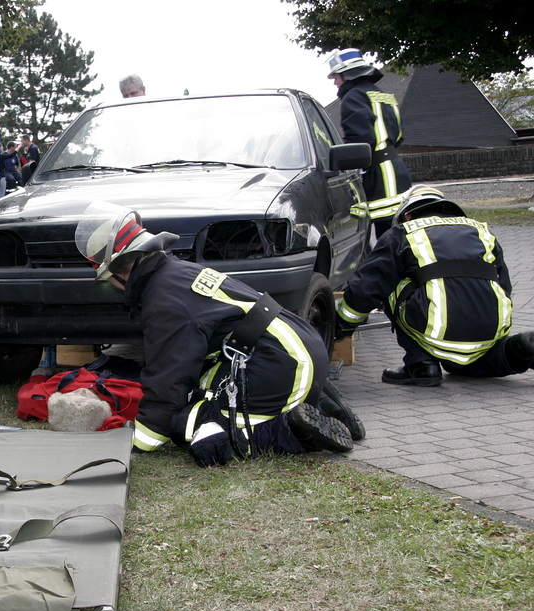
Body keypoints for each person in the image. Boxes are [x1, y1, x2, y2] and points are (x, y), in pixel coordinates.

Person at [75, 201, 359, 467]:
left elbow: (169, 374)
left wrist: (144, 439)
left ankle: (294, 431)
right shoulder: (176, 274)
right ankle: (323, 404)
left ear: (117, 270)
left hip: (281, 362)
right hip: (296, 347)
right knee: (203, 392)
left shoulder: (164, 299)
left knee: (204, 437)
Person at [336, 186, 534, 387]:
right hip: (491, 328)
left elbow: (366, 287)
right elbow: (504, 285)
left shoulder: (402, 233)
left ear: (408, 214)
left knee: (391, 281)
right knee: (462, 365)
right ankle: (519, 349)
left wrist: (341, 327)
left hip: (435, 330)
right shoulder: (480, 230)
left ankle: (420, 364)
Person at [327, 48, 412, 239]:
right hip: (397, 171)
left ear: (347, 74)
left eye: (336, 76)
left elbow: (359, 141)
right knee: (401, 233)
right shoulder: (384, 96)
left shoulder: (353, 98)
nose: (334, 82)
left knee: (386, 239)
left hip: (379, 177)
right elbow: (398, 136)